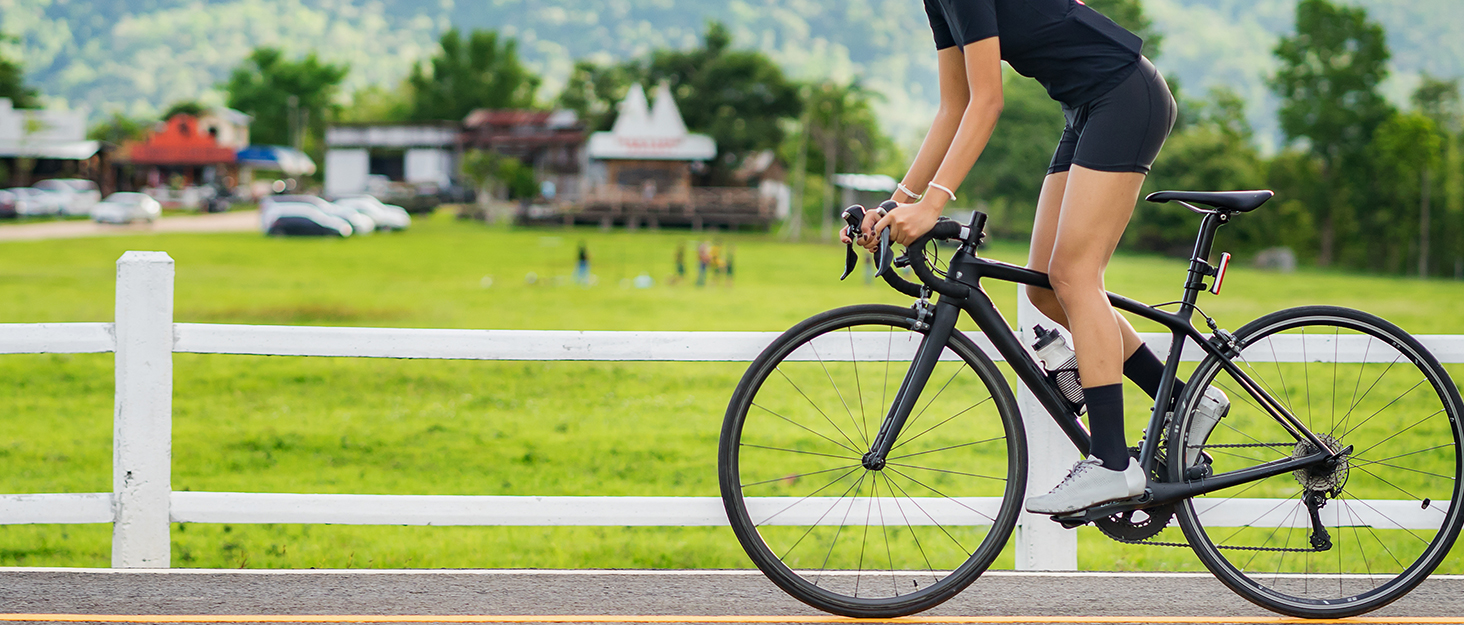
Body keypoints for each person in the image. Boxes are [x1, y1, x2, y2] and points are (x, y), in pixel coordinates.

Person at [845, 0, 1229, 515]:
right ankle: (1185, 399)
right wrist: (899, 203)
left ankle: (1113, 466)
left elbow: (987, 103)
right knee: (1044, 287)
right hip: (1089, 106)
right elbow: (953, 106)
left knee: (1074, 275)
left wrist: (933, 203)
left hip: (1123, 95)